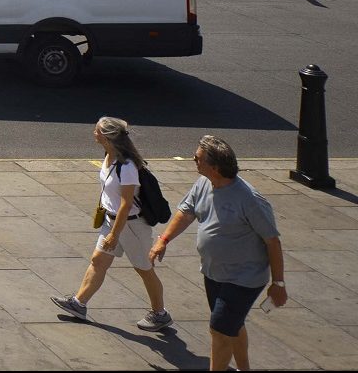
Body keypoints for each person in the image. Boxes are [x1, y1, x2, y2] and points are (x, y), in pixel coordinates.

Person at [148, 135, 284, 372]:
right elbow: (186, 212)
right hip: (214, 273)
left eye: (198, 158)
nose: (193, 160)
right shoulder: (203, 183)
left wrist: (278, 283)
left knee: (219, 330)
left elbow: (272, 241)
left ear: (215, 167)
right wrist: (164, 239)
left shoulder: (249, 199)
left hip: (244, 278)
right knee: (232, 325)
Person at [49, 117, 173, 330]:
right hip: (112, 220)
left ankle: (160, 314)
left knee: (144, 269)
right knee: (98, 260)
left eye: (96, 130)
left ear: (106, 136)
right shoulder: (109, 156)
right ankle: (79, 303)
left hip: (131, 226)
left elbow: (126, 205)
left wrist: (114, 235)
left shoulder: (126, 166)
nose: (93, 132)